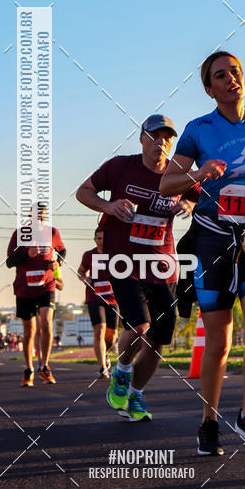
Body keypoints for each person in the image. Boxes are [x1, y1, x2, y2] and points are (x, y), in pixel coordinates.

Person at [160, 51, 245, 456]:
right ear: (209, 88)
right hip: (213, 240)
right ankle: (209, 421)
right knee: (218, 342)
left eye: (236, 71)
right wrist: (198, 173)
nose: (231, 78)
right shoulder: (198, 130)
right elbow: (167, 184)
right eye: (221, 75)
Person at [76, 114, 197, 422]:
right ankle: (122, 370)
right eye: (155, 136)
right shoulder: (120, 167)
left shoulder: (178, 174)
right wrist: (109, 206)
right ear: (142, 138)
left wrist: (189, 205)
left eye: (167, 137)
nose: (161, 142)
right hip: (124, 263)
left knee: (157, 340)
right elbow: (83, 192)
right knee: (140, 327)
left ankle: (136, 394)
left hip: (162, 267)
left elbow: (203, 200)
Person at [6, 202, 66, 386]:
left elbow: (62, 251)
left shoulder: (52, 232)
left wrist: (58, 263)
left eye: (42, 214)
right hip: (24, 287)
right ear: (29, 216)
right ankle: (29, 369)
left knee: (46, 323)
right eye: (36, 214)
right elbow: (9, 262)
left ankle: (45, 366)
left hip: (46, 285)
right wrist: (28, 255)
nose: (40, 217)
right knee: (29, 330)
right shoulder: (20, 234)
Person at [78, 227, 119, 378]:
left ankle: (104, 353)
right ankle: (103, 367)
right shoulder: (89, 255)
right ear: (95, 240)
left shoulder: (116, 254)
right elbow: (81, 271)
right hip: (94, 297)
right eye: (99, 238)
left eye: (104, 238)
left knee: (112, 336)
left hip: (112, 298)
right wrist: (84, 278)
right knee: (99, 329)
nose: (102, 241)